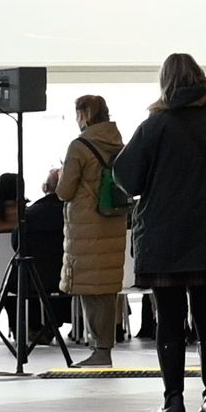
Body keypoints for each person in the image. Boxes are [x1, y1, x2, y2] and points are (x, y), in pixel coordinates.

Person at [116, 51, 206, 412]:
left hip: (164, 237)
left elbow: (125, 176)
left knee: (170, 322)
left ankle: (173, 404)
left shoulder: (154, 126)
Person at [61, 91, 131, 362]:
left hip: (87, 225)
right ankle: (104, 347)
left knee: (90, 287)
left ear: (84, 115)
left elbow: (66, 190)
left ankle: (100, 350)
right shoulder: (119, 143)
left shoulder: (79, 146)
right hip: (112, 220)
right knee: (107, 287)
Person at [16, 164, 69, 359]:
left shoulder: (30, 214)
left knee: (23, 274)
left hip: (35, 279)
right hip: (68, 276)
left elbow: (17, 244)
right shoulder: (70, 214)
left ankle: (37, 328)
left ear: (45, 188)